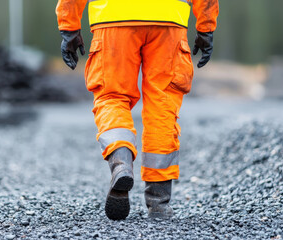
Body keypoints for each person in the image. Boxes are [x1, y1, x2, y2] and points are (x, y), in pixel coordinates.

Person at [56, 0, 219, 220]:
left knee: (111, 97)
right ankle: (159, 203)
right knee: (162, 105)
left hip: (112, 18)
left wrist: (69, 26)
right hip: (168, 20)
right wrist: (205, 27)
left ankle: (121, 163)